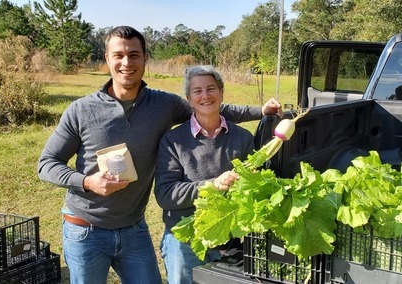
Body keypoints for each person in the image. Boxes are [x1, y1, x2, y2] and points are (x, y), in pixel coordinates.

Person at [36, 26, 282, 284]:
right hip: (86, 228)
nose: (126, 62)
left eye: (134, 54)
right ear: (107, 59)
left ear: (144, 59)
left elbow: (209, 107)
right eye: (118, 55)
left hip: (133, 228)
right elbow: (47, 164)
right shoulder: (81, 110)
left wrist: (261, 111)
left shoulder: (163, 104)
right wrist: (87, 182)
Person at [155, 65, 261, 283]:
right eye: (197, 91)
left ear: (222, 92)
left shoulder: (243, 138)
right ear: (189, 99)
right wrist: (212, 185)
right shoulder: (173, 141)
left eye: (211, 88)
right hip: (185, 241)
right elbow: (165, 194)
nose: (205, 96)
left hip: (231, 242)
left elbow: (254, 187)